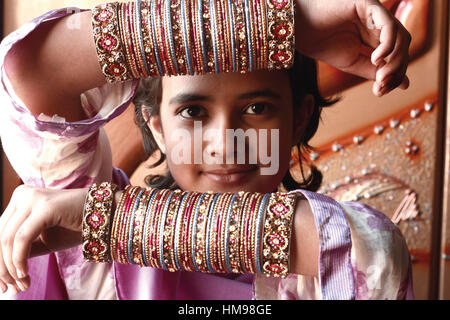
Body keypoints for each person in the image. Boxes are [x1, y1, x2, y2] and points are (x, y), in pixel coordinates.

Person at [0, 0, 413, 300]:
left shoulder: (341, 259)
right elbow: (29, 70)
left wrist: (105, 221)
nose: (225, 143)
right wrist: (281, 22)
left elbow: (371, 251)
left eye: (256, 108)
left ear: (299, 118)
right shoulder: (96, 263)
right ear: (157, 128)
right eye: (193, 111)